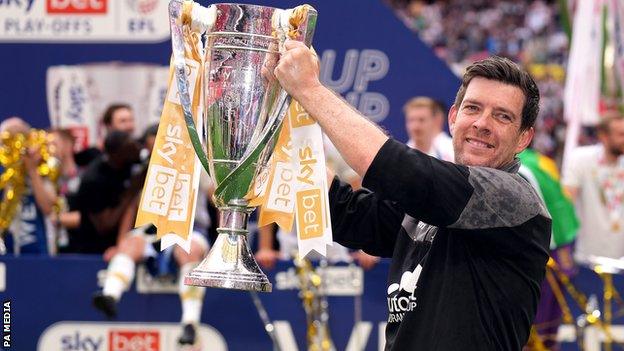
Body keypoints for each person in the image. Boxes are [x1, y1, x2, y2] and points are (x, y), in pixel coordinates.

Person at [273, 42, 551, 350]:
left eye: (502, 116)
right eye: (473, 108)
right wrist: (277, 125)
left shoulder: (513, 198)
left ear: (524, 137)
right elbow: (348, 214)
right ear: (453, 118)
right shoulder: (434, 204)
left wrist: (310, 90)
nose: (481, 124)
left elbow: (397, 169)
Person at [562, 112, 624, 266]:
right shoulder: (581, 159)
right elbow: (566, 203)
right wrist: (563, 249)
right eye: (621, 134)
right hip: (587, 259)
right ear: (603, 136)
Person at [71, 131, 141, 254]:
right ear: (118, 153)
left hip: (129, 242)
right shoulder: (94, 180)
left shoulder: (131, 165)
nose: (137, 151)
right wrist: (131, 192)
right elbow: (105, 225)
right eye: (131, 148)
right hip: (96, 251)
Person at [1, 117, 58, 255]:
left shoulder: (44, 170)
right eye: (10, 141)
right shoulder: (4, 176)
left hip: (41, 249)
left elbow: (48, 208)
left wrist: (32, 171)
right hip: (8, 250)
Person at [404, 96, 454, 161]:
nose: (415, 126)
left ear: (435, 121)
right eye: (411, 120)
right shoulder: (402, 157)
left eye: (421, 120)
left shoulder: (450, 151)